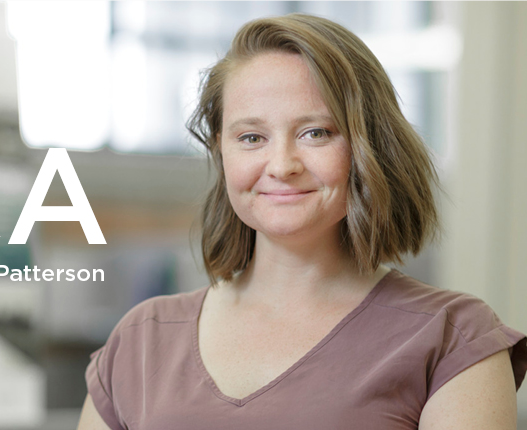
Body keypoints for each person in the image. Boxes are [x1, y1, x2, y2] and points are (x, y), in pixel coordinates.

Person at [77, 14, 527, 430]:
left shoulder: (453, 338)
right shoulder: (141, 340)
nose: (282, 164)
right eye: (251, 137)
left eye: (316, 133)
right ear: (220, 152)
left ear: (369, 147)